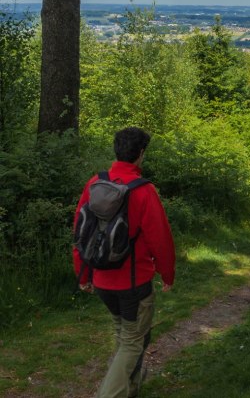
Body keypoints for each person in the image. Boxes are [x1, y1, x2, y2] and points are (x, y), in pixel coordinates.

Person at [73, 127, 175, 398]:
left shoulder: (95, 183)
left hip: (102, 280)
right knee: (132, 341)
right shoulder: (144, 191)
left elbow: (80, 233)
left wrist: (83, 275)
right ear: (141, 154)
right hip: (134, 284)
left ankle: (129, 390)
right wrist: (167, 274)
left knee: (126, 333)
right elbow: (160, 239)